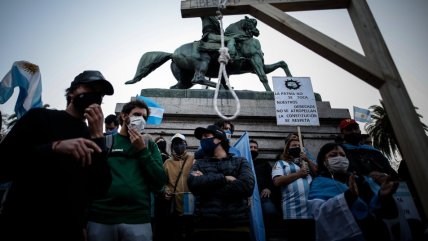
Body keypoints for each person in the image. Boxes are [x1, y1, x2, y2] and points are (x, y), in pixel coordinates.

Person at [0, 70, 114, 241]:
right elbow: (4, 165)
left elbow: (99, 189)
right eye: (90, 88)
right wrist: (53, 147)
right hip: (23, 223)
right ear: (72, 92)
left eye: (100, 93)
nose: (95, 95)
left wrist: (98, 137)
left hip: (68, 229)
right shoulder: (39, 117)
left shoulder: (94, 136)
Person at [86, 99, 167, 241]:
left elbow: (159, 181)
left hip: (137, 219)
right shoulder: (106, 142)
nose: (141, 119)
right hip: (101, 217)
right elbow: (88, 180)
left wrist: (142, 151)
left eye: (144, 117)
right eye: (137, 114)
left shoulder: (149, 145)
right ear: (124, 116)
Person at [308, 142, 412, 241]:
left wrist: (382, 196)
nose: (339, 158)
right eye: (333, 155)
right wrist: (348, 196)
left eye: (343, 155)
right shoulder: (319, 182)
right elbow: (319, 214)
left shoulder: (360, 180)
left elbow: (374, 207)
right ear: (323, 161)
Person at [187, 124, 255, 241]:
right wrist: (224, 178)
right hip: (204, 228)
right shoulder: (199, 163)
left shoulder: (240, 161)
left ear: (218, 138)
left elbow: (247, 187)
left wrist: (207, 184)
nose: (202, 140)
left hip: (237, 228)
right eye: (201, 137)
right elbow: (193, 182)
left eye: (206, 136)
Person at [272, 138, 316, 241]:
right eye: (294, 146)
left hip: (311, 211)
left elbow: (319, 173)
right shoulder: (281, 163)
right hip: (292, 211)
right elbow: (277, 181)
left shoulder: (307, 162)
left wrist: (307, 159)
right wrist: (299, 174)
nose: (296, 147)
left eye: (298, 146)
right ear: (287, 150)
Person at [155, 133, 195, 241]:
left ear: (185, 144)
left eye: (180, 143)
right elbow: (161, 182)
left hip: (191, 207)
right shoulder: (167, 162)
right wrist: (165, 190)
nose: (178, 146)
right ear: (172, 146)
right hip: (174, 207)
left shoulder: (193, 160)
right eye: (175, 143)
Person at [249, 139, 281, 240]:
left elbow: (272, 178)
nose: (253, 149)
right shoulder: (242, 162)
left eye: (255, 147)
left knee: (270, 212)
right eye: (251, 147)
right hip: (247, 197)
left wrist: (269, 188)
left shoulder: (263, 163)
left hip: (263, 197)